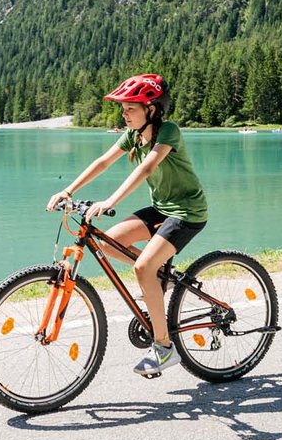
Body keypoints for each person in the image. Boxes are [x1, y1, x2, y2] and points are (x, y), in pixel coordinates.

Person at [46, 74, 208, 377]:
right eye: (123, 108)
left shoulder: (167, 131)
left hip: (187, 212)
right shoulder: (134, 135)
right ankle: (162, 276)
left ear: (152, 109)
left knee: (142, 269)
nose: (124, 113)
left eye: (130, 108)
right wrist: (68, 190)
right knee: (106, 243)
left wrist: (110, 200)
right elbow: (103, 161)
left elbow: (147, 168)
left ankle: (164, 348)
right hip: (161, 209)